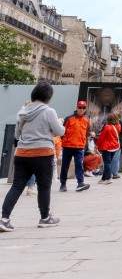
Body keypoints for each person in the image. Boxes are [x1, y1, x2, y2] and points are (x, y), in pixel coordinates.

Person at [0, 82, 65, 232]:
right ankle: (45, 218)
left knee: (17, 186)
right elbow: (59, 132)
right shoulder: (49, 111)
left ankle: (4, 219)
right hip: (42, 153)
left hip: (22, 153)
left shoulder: (23, 111)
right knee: (44, 186)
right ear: (48, 96)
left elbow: (17, 134)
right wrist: (61, 124)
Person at [59, 100, 91, 192]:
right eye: (80, 107)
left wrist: (85, 145)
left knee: (79, 165)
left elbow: (87, 133)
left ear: (85, 109)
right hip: (68, 146)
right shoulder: (69, 118)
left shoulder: (87, 120)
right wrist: (64, 141)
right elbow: (62, 131)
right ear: (76, 108)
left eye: (83, 108)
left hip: (79, 147)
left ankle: (80, 183)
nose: (81, 109)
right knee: (65, 166)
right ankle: (63, 184)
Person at [96, 114, 121, 185]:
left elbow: (101, 138)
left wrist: (97, 145)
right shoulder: (117, 126)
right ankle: (103, 178)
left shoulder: (107, 127)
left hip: (107, 147)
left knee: (107, 163)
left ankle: (108, 178)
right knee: (108, 163)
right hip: (114, 147)